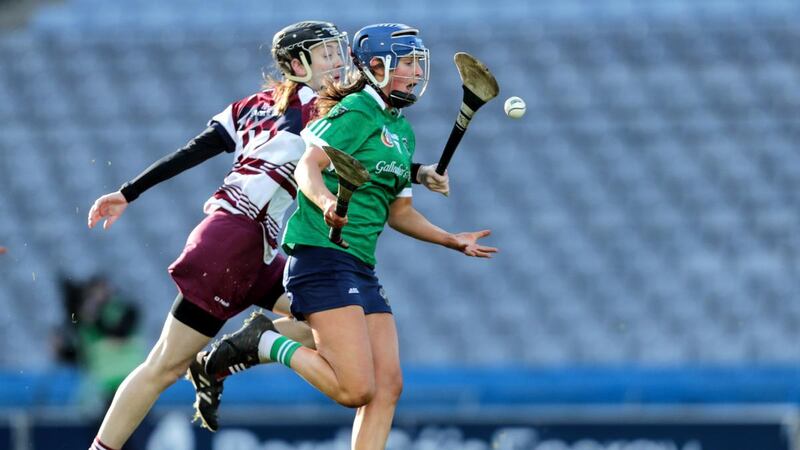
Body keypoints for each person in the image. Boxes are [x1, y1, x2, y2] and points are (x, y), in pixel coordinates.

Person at [85, 20, 448, 450]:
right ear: (297, 64)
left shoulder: (250, 106)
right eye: (326, 54)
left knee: (329, 329)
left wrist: (129, 191)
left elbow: (193, 150)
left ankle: (238, 348)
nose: (338, 62)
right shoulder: (323, 109)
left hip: (256, 247)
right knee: (164, 365)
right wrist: (417, 170)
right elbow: (351, 149)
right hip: (231, 242)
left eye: (338, 52)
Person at [204, 23, 497, 450]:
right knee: (354, 390)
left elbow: (401, 213)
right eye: (408, 64)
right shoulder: (357, 109)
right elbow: (308, 166)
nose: (416, 73)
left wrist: (452, 239)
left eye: (419, 64)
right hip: (321, 255)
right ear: (376, 66)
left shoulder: (401, 130)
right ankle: (264, 340)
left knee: (387, 387)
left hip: (359, 264)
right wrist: (325, 202)